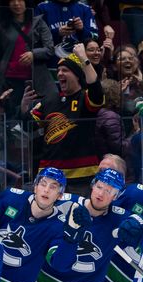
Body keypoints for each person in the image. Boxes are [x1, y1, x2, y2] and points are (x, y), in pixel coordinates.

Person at [34, 168, 141, 282]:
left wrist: (140, 225)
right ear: (92, 185)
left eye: (108, 191)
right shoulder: (66, 205)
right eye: (99, 187)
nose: (100, 193)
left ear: (116, 196)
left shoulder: (119, 219)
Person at [0, 167, 92, 282]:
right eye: (43, 184)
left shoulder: (59, 225)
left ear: (60, 195)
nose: (46, 190)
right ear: (35, 187)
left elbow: (59, 264)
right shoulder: (11, 198)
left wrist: (71, 239)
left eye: (53, 187)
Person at [24, 44, 105, 195]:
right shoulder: (49, 100)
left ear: (77, 75)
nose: (60, 73)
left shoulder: (84, 98)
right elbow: (30, 126)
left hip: (81, 176)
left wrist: (84, 59)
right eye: (59, 70)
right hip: (49, 175)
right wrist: (23, 109)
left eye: (65, 70)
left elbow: (96, 91)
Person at [0, 0, 55, 117]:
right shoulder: (1, 26)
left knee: (38, 114)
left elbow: (50, 49)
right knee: (13, 116)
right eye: (12, 1)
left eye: (20, 0)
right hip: (10, 80)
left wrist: (33, 54)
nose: (16, 4)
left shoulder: (38, 22)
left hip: (36, 79)